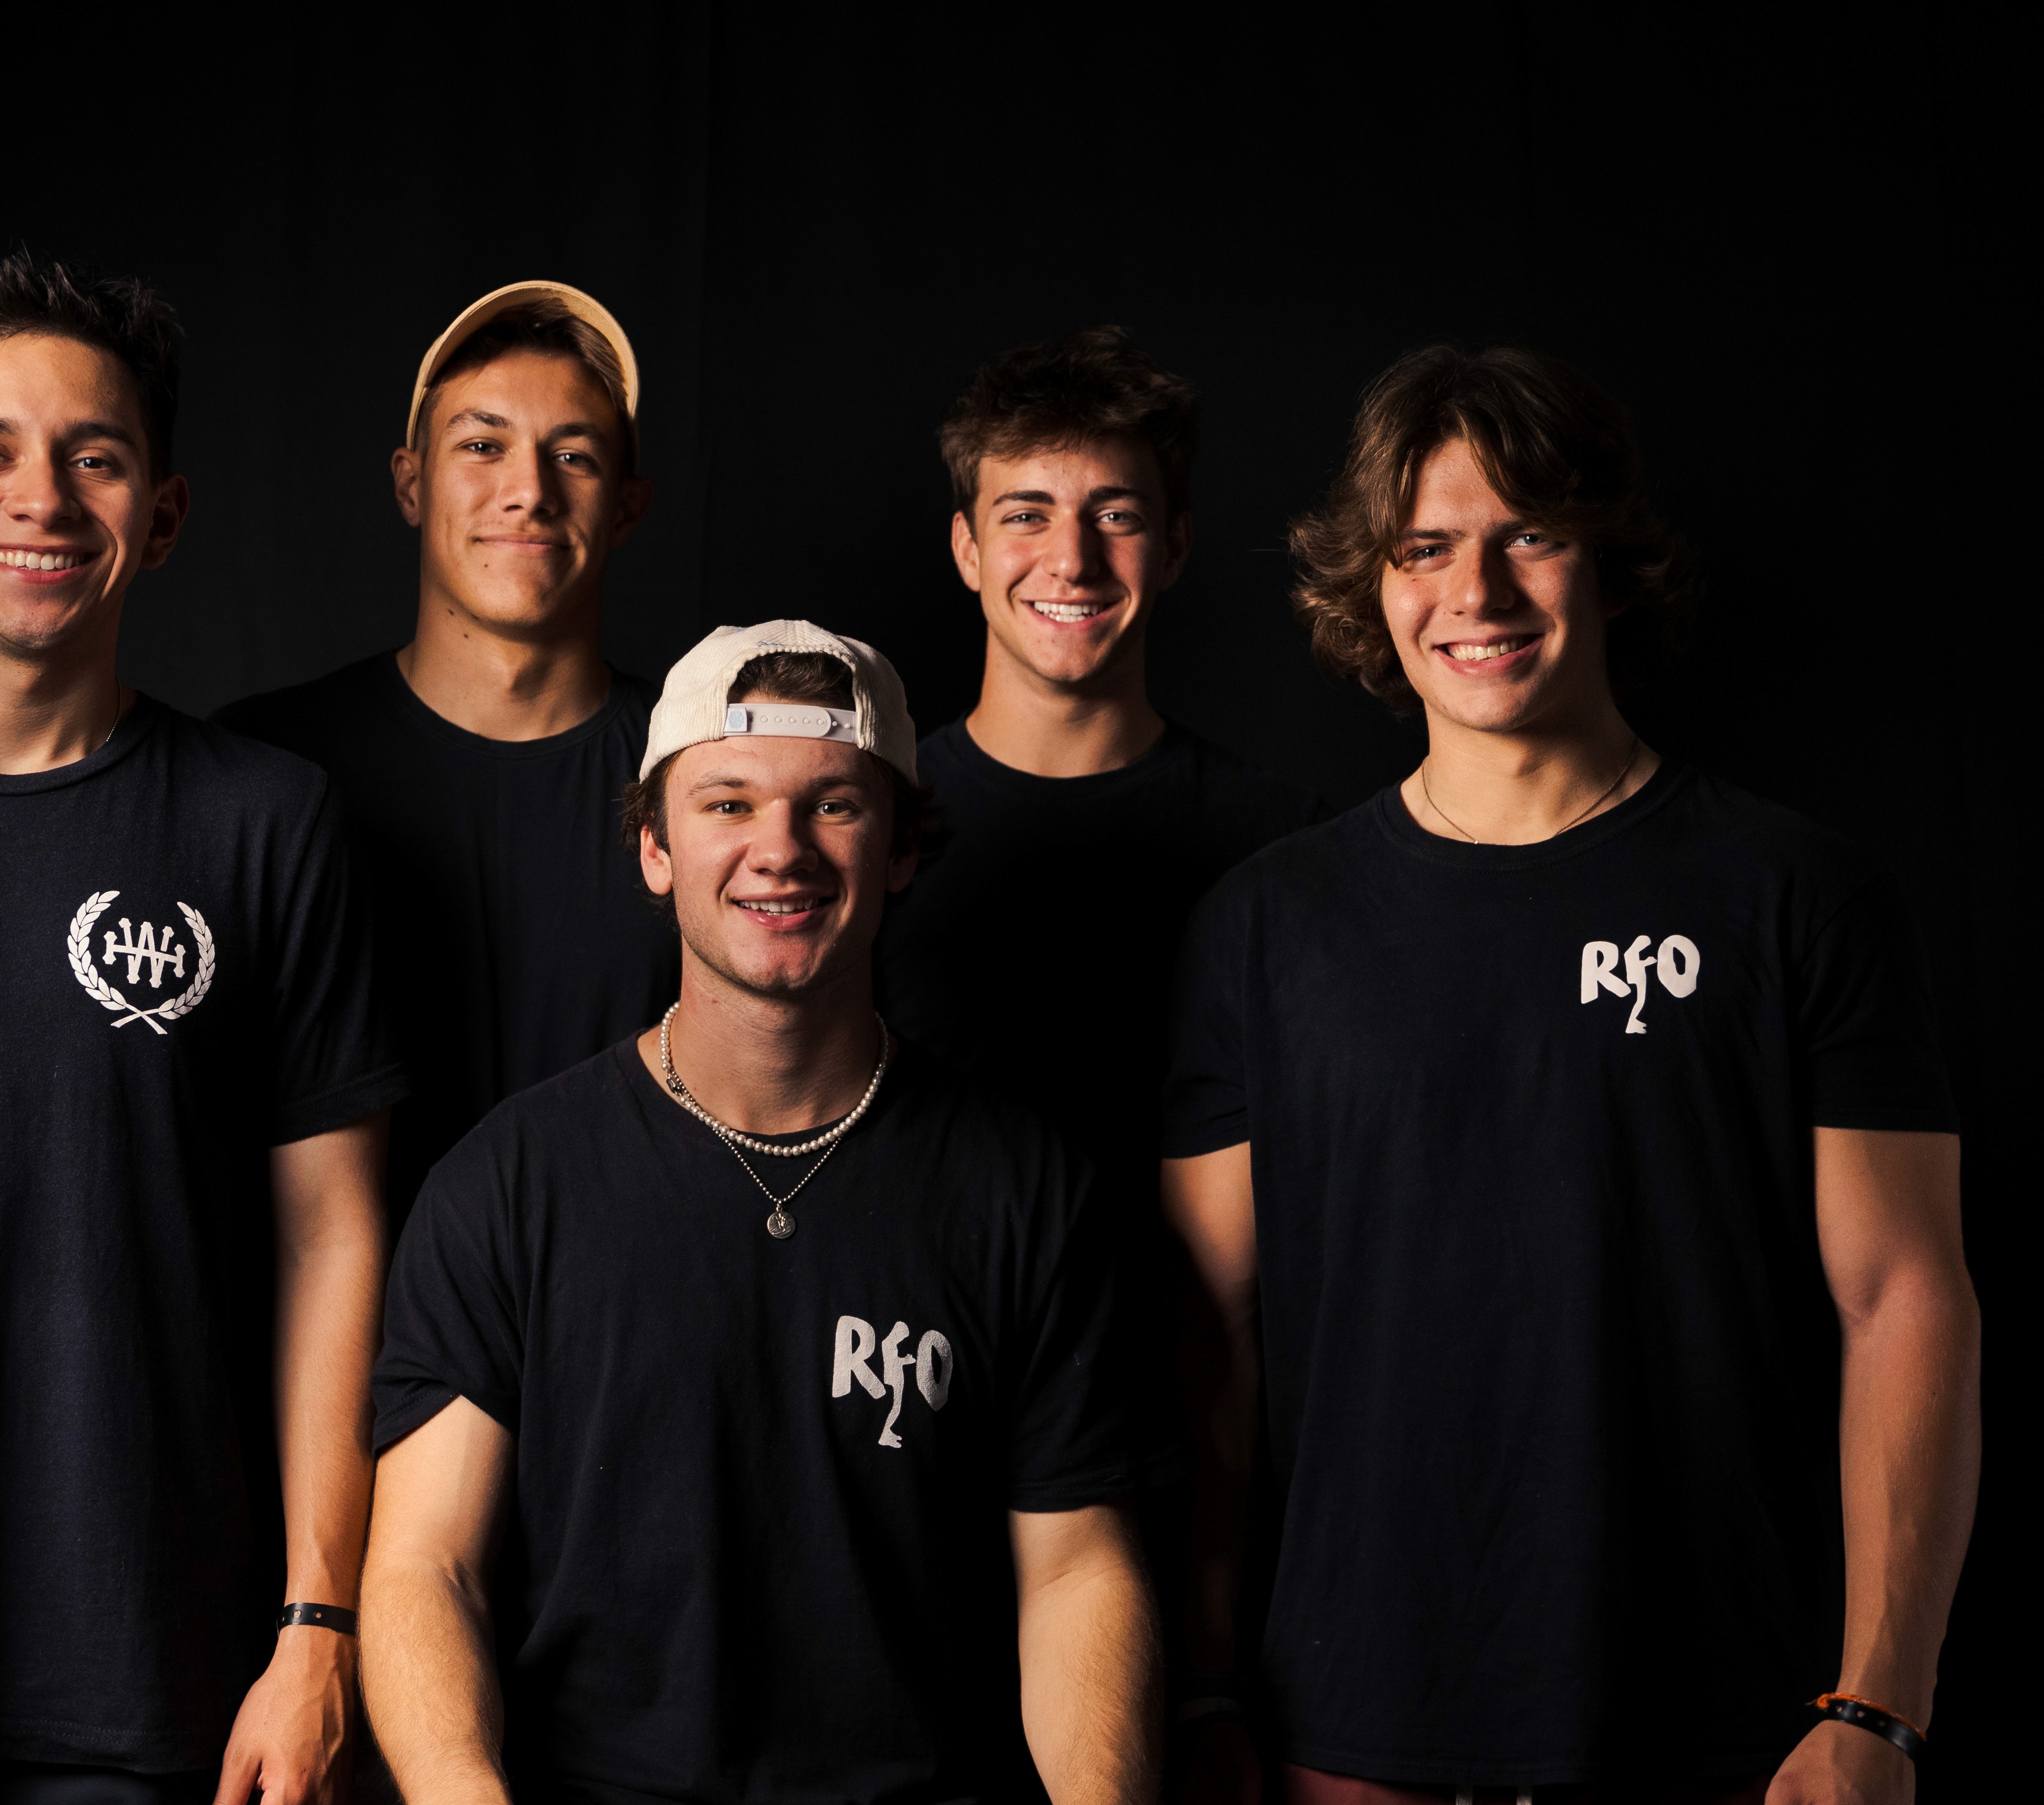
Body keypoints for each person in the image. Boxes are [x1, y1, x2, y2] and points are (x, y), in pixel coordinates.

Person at [1161, 347, 1979, 1804]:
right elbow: (1202, 1338)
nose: (1472, 594)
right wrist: (1207, 1686)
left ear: (1605, 559)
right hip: (1349, 1735)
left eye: (1524, 535)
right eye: (1423, 548)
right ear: (1373, 585)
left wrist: (1877, 1708)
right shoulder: (1267, 926)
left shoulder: (1792, 894)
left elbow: (1901, 1297)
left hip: (1730, 1731)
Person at [361, 619, 1160, 1804]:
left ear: (899, 848)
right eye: (727, 804)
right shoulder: (507, 1185)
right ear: (654, 846)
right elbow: (427, 1569)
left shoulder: (1024, 1188)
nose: (777, 851)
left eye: (832, 804)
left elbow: (1075, 1573)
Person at [0, 253, 403, 1801]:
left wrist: (316, 1625)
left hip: (142, 1674)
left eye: (93, 457)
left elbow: (332, 1244)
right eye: (3, 452)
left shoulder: (261, 825)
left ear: (159, 517)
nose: (40, 499)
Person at [873, 327, 1323, 1563]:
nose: (1068, 557)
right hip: (920, 1454)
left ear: (1173, 547)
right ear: (966, 548)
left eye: (1113, 514)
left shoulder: (1286, 847)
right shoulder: (861, 841)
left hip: (1208, 1462)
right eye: (1024, 514)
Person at [217, 281, 674, 1231]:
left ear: (627, 508)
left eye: (575, 456)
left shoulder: (706, 776)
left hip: (627, 1358)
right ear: (410, 483)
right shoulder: (261, 770)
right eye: (482, 445)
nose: (528, 490)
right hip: (334, 1360)